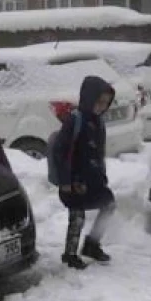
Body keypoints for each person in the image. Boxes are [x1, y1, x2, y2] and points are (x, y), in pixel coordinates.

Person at [53, 76, 118, 270]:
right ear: (88, 98)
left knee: (109, 205)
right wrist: (65, 180)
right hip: (74, 181)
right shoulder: (75, 120)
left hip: (94, 180)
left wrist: (102, 175)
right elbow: (60, 151)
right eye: (99, 102)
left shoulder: (99, 122)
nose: (102, 107)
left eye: (106, 103)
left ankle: (92, 244)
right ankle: (70, 254)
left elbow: (98, 152)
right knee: (77, 217)